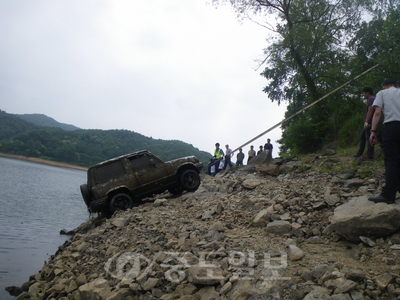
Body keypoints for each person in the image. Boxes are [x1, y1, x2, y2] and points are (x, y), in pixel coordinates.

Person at [368, 79, 400, 204]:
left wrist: (373, 131)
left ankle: (389, 195)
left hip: (392, 128)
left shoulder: (382, 93)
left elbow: (377, 113)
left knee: (391, 161)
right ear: (396, 85)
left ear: (384, 86)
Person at [355, 87, 376, 159]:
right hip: (370, 122)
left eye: (364, 93)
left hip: (370, 122)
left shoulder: (371, 99)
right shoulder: (372, 99)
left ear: (367, 93)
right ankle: (360, 152)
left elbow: (370, 110)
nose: (363, 95)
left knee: (368, 137)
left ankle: (370, 154)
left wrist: (366, 121)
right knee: (363, 136)